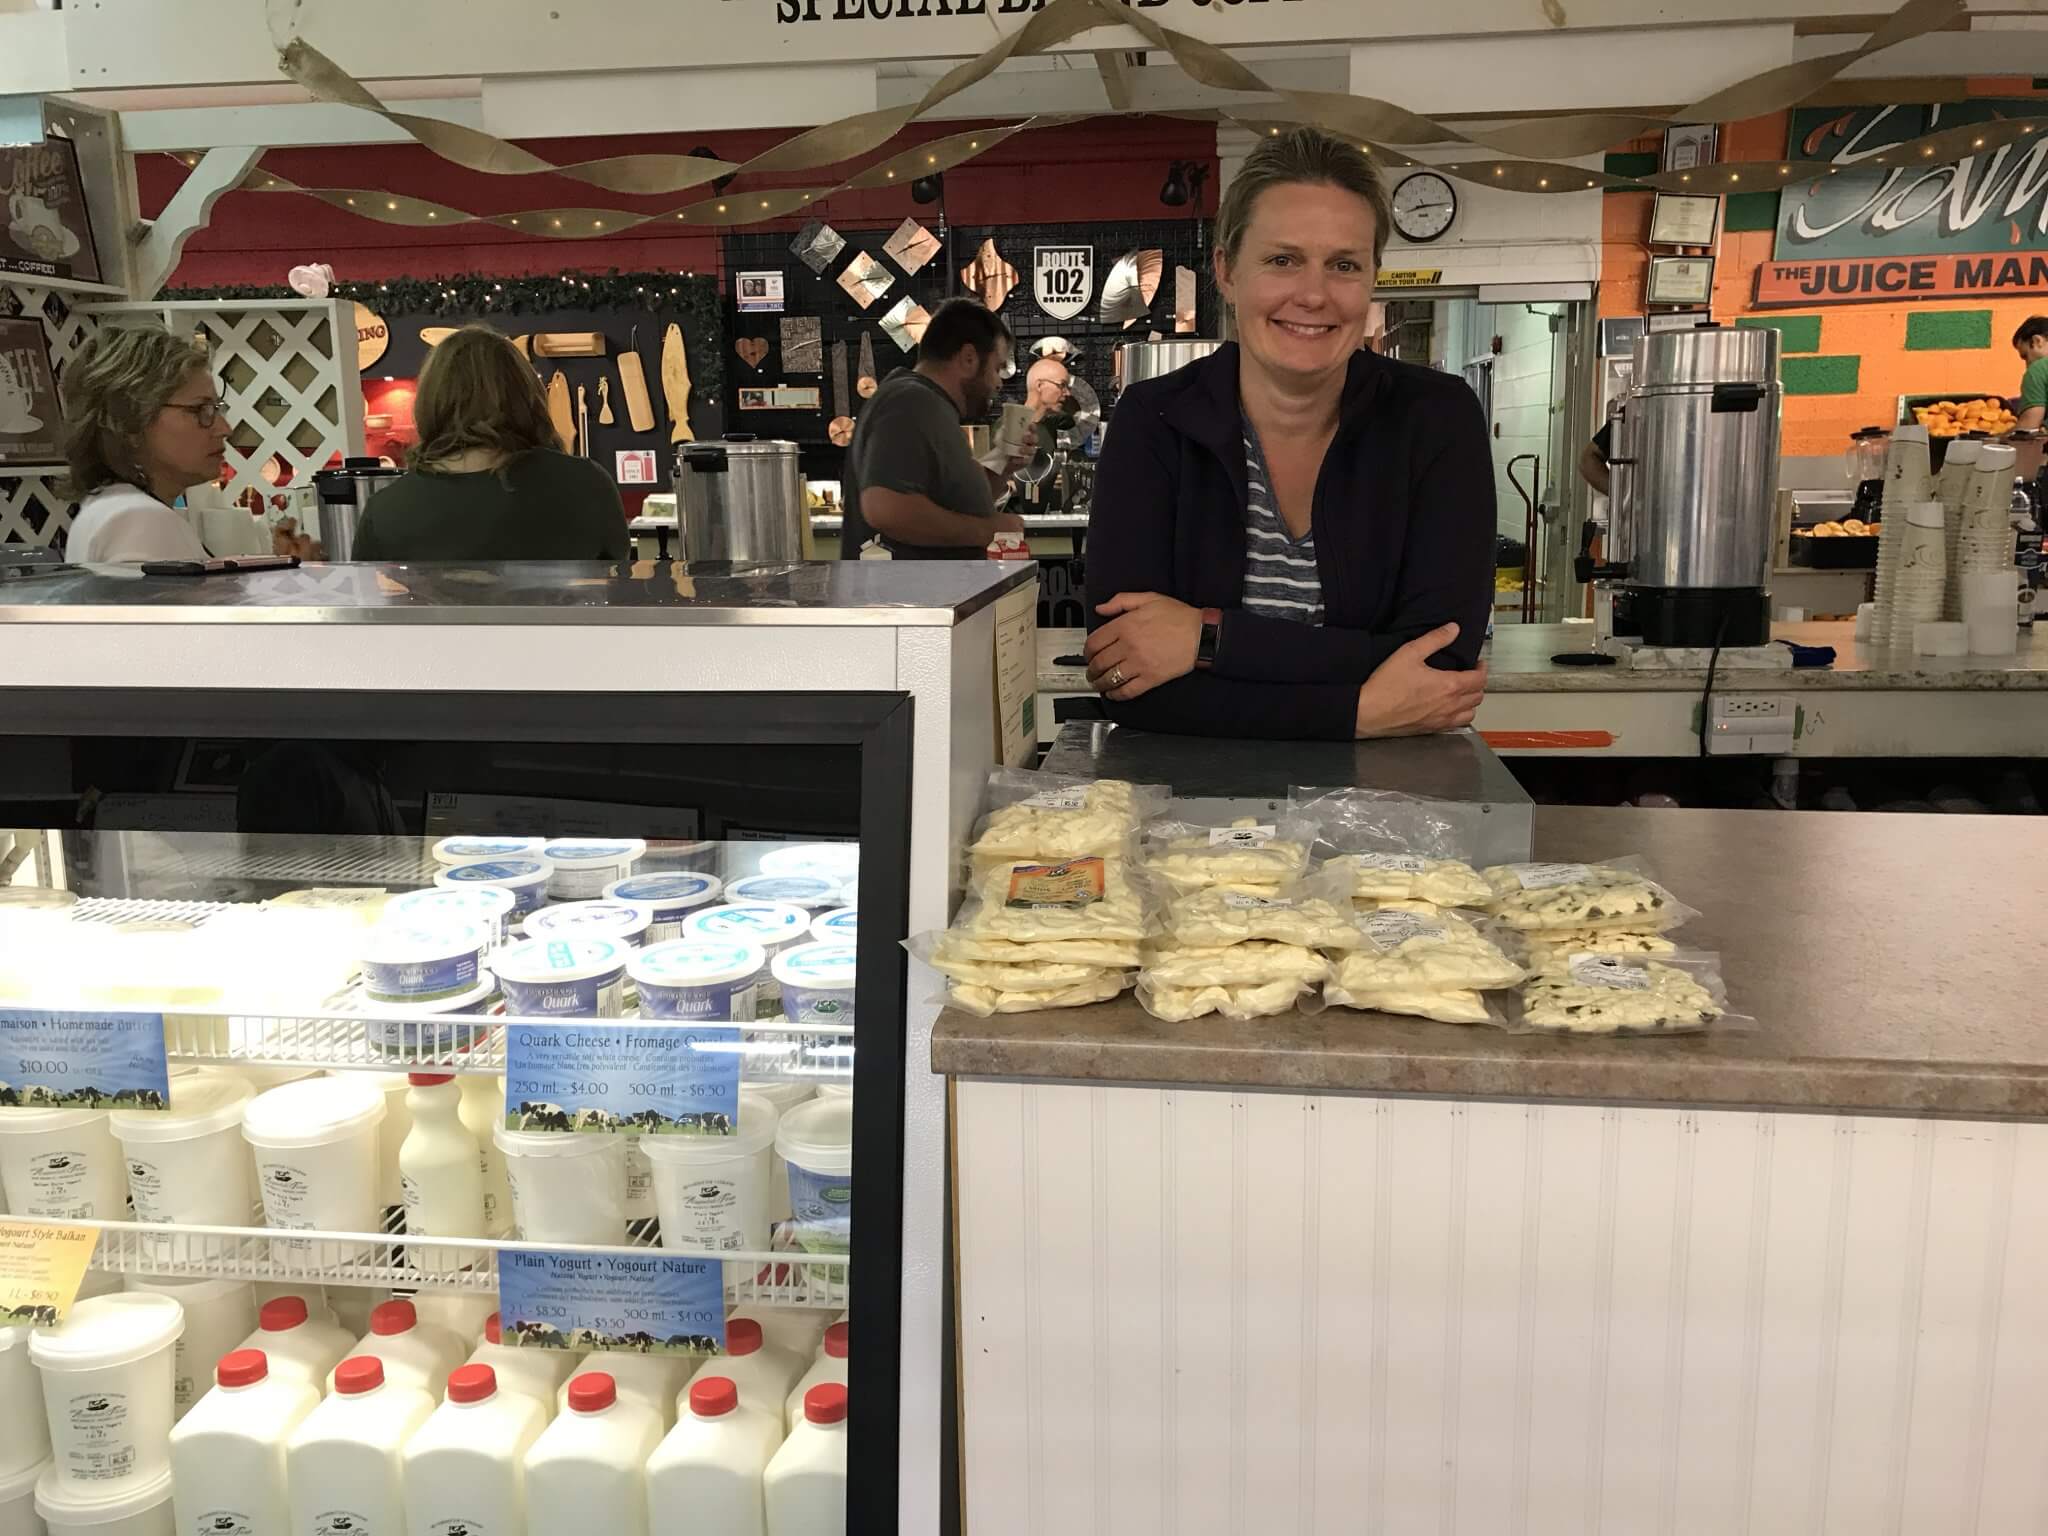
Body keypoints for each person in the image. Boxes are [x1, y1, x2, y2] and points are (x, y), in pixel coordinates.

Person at [1083, 127, 1493, 740]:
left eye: (1344, 265)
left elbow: (1442, 666)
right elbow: (1126, 682)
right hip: (1189, 816)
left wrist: (1206, 639)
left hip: (1390, 813)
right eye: (1283, 260)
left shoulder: (1436, 417)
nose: (1313, 294)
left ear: (1373, 276)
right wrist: (1359, 712)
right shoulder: (1155, 420)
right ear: (1227, 270)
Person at [352, 326, 629, 561]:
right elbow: (618, 589)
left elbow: (370, 613)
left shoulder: (387, 509)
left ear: (430, 402)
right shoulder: (587, 484)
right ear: (527, 395)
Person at [837, 298, 1026, 560]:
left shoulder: (926, 404)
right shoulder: (912, 402)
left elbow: (955, 499)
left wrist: (1005, 462)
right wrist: (989, 530)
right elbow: (886, 508)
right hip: (910, 598)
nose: (998, 383)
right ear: (969, 358)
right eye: (997, 368)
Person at [59, 322, 226, 563]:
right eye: (201, 410)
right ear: (130, 423)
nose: (224, 429)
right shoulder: (138, 519)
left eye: (216, 409)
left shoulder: (110, 506)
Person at [2012, 316, 2048, 432]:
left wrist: (1997, 440)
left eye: (2025, 356)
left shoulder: (2038, 369)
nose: (2027, 365)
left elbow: (2028, 427)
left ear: (2037, 341)